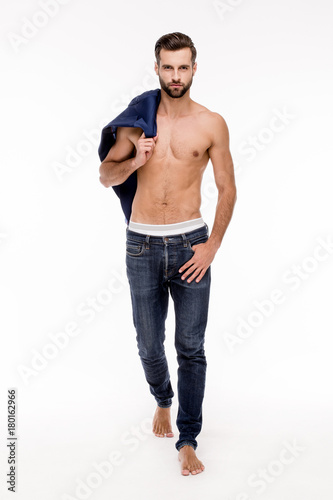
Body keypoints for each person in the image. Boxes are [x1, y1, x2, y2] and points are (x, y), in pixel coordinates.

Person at [99, 32, 237, 476]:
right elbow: (105, 175)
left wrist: (211, 246)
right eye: (168, 67)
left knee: (191, 347)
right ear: (156, 68)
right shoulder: (138, 122)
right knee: (148, 342)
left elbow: (228, 188)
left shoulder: (211, 123)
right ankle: (162, 398)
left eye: (183, 67)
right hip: (140, 244)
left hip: (190, 244)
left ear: (194, 69)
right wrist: (135, 161)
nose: (175, 75)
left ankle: (188, 438)